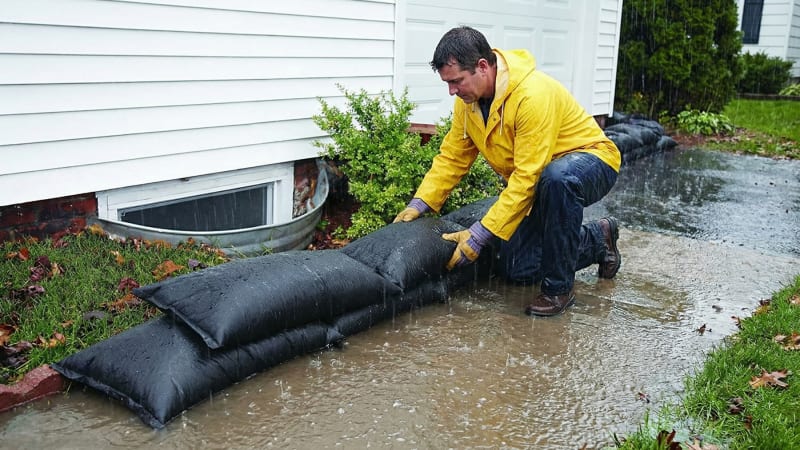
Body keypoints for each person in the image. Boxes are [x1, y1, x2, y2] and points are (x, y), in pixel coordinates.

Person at [393, 26, 622, 317]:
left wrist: (478, 236)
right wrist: (419, 203)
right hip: (540, 177)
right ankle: (598, 239)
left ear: (482, 66)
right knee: (519, 268)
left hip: (591, 161)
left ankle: (558, 291)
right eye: (447, 83)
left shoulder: (531, 95)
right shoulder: (468, 104)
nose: (452, 91)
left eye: (456, 81)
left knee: (558, 180)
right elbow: (453, 157)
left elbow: (527, 178)